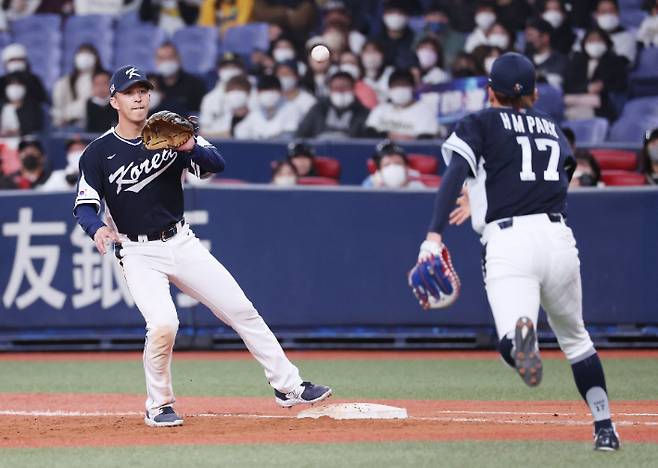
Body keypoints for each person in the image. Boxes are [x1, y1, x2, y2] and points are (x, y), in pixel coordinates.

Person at [72, 65, 332, 427]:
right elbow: (84, 205)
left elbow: (216, 163)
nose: (138, 97)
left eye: (143, 90)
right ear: (113, 100)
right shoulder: (98, 153)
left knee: (240, 309)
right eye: (130, 92)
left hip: (181, 241)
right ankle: (159, 404)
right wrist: (97, 228)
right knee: (164, 324)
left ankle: (288, 387)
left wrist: (191, 145)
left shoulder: (170, 130)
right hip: (138, 252)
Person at [413, 52, 620, 451]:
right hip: (558, 236)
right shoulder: (550, 126)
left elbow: (455, 171)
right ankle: (605, 427)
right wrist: (494, 193)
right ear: (535, 92)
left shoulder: (481, 121)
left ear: (491, 91)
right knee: (578, 341)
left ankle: (521, 347)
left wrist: (434, 235)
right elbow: (565, 171)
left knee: (509, 338)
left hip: (509, 241)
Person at [564, 27, 628, 122]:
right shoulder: (577, 61)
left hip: (600, 106)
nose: (595, 44)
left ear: (606, 43)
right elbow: (568, 85)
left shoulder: (615, 62)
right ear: (584, 43)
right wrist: (587, 88)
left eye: (599, 40)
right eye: (591, 40)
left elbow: (620, 85)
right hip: (573, 102)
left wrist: (602, 86)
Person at [365, 69, 440, 140]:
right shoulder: (380, 109)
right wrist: (389, 136)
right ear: (389, 89)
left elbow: (426, 140)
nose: (399, 88)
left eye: (404, 85)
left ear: (413, 87)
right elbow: (369, 133)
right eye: (395, 85)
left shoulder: (425, 112)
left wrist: (406, 140)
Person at [296, 70, 371, 139]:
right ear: (330, 90)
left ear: (353, 89)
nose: (340, 91)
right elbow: (301, 133)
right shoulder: (318, 109)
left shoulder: (363, 112)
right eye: (336, 88)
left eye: (344, 87)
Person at [52, 44, 104, 127]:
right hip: (71, 126)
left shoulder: (105, 80)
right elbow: (58, 110)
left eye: (89, 54)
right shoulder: (64, 82)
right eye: (82, 53)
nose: (85, 58)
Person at [234, 75, 301, 139]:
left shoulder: (291, 109)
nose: (268, 94)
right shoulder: (257, 111)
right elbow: (240, 131)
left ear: (280, 92)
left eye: (272, 90)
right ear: (258, 93)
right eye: (264, 91)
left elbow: (289, 134)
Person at [154, 42, 206, 115]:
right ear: (156, 61)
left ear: (179, 58)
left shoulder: (195, 85)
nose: (166, 62)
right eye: (162, 58)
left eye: (170, 57)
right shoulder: (151, 85)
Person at [415, 3, 466, 70]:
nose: (437, 19)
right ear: (426, 18)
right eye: (433, 15)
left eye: (441, 16)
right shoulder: (418, 37)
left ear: (447, 19)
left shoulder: (459, 39)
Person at [524, 18, 568, 90]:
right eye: (526, 35)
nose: (528, 39)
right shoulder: (522, 60)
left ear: (545, 37)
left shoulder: (561, 61)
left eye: (531, 35)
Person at [0, 43, 48, 108]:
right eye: (13, 60)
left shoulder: (33, 80)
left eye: (20, 59)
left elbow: (42, 100)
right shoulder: (2, 81)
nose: (16, 62)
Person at [372, 0, 416, 68]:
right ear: (384, 16)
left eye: (400, 12)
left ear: (407, 16)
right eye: (391, 12)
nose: (396, 16)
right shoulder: (375, 41)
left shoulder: (415, 39)